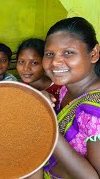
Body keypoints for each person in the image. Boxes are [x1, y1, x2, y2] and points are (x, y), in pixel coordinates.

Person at [32, 17, 100, 178]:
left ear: (94, 54)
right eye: (49, 54)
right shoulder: (64, 90)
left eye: (68, 52)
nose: (55, 62)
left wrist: (46, 123)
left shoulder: (95, 111)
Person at [16, 38, 61, 107]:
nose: (26, 68)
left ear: (45, 62)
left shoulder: (60, 90)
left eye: (34, 63)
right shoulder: (21, 88)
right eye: (21, 62)